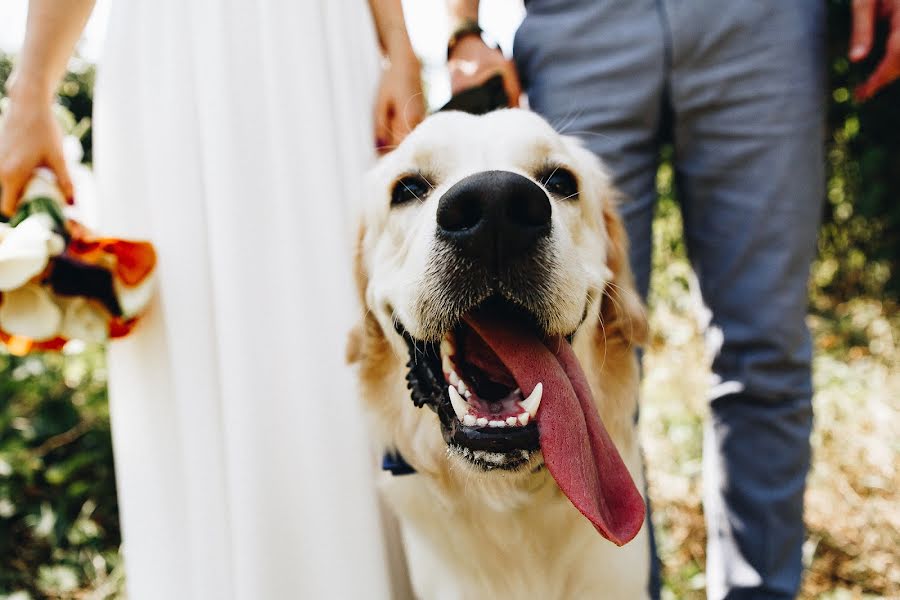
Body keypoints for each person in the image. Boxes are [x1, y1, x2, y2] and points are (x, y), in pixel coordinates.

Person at [446, 0, 900, 599]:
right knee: (567, 359)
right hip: (579, 26)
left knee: (765, 349)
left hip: (763, 25)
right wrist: (462, 28)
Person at [0, 0, 425, 597]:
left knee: (337, 328)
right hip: (177, 53)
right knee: (187, 339)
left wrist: (399, 45)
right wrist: (32, 90)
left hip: (320, 47)